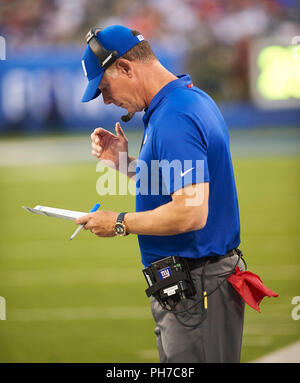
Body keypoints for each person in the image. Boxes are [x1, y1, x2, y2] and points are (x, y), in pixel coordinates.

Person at [77, 25, 245, 363]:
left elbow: (191, 212)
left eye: (105, 87)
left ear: (125, 67)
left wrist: (119, 222)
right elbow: (178, 183)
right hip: (195, 286)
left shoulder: (174, 117)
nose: (107, 100)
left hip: (198, 288)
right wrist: (125, 165)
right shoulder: (184, 99)